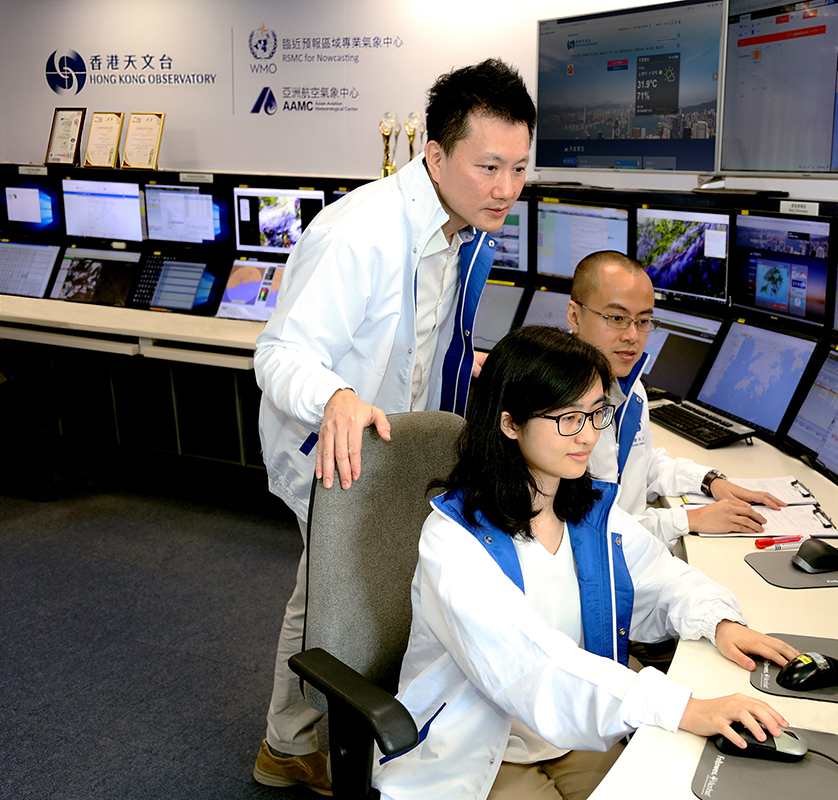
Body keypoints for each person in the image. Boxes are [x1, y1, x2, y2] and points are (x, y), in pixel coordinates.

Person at [250, 58, 535, 794]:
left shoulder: (456, 223)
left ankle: (343, 729)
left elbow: (419, 327)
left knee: (368, 589)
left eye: (519, 168)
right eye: (489, 167)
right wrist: (336, 394)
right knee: (329, 594)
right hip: (334, 444)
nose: (506, 188)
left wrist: (459, 364)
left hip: (395, 446)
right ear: (435, 156)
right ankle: (290, 743)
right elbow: (278, 353)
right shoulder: (361, 232)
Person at [375, 326, 799, 799]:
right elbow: (531, 666)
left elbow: (663, 578)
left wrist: (720, 622)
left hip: (571, 734)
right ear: (509, 423)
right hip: (481, 748)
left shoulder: (589, 510)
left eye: (596, 414)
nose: (589, 436)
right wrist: (682, 707)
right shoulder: (452, 541)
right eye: (568, 419)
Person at [567, 250, 786, 550]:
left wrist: (711, 482)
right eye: (617, 318)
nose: (633, 335)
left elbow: (639, 462)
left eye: (643, 321)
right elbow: (590, 531)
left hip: (635, 556)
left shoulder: (629, 387)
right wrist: (687, 519)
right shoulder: (559, 408)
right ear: (574, 316)